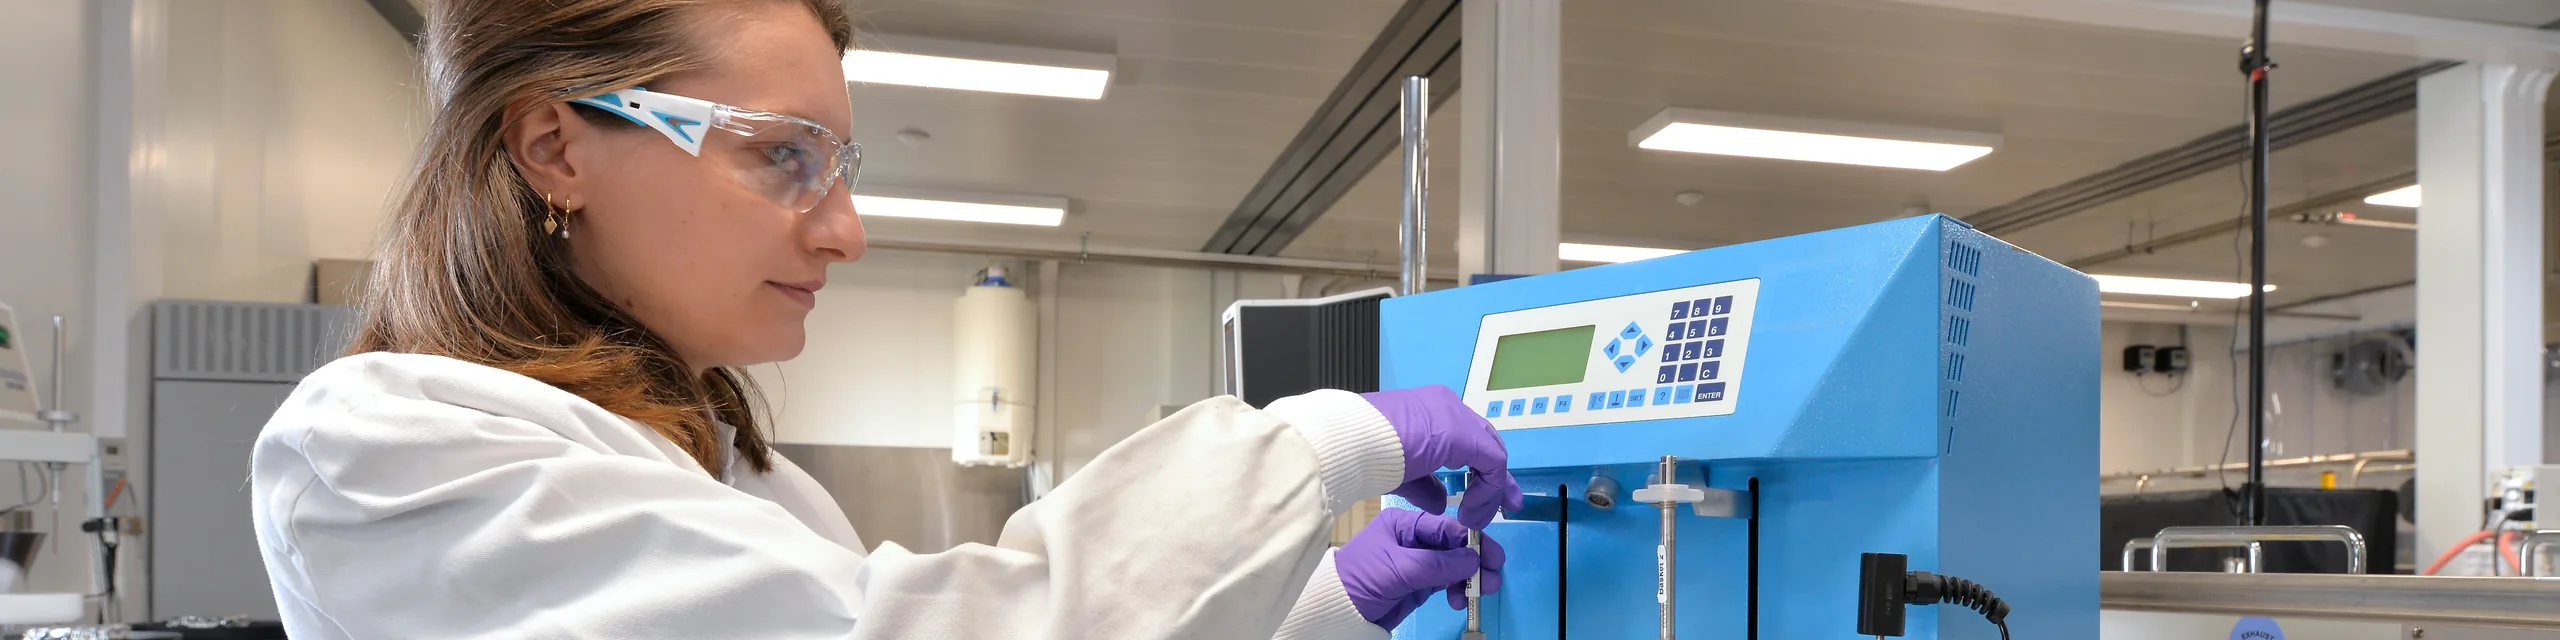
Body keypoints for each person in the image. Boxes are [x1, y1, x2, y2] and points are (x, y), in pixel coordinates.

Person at [243, 0, 1524, 638]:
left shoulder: (752, 479)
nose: (843, 230)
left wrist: (1324, 608)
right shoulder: (386, 451)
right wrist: (1307, 445)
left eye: (840, 169)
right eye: (785, 158)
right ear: (554, 149)